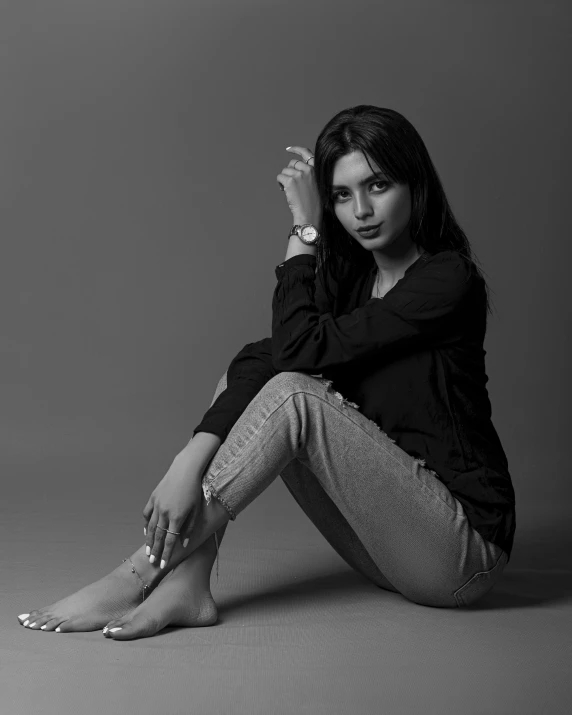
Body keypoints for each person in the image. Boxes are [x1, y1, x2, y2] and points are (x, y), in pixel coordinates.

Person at [17, 105, 516, 640]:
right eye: (342, 196)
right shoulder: (352, 286)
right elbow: (261, 357)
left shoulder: (447, 280)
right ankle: (190, 581)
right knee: (253, 380)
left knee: (294, 395)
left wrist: (303, 231)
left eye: (378, 185)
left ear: (415, 185)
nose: (362, 211)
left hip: (460, 554)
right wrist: (189, 460)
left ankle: (141, 570)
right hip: (385, 550)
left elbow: (298, 354)